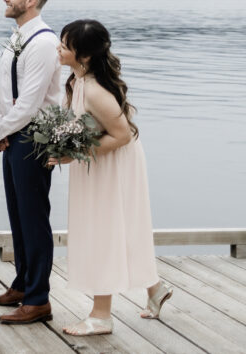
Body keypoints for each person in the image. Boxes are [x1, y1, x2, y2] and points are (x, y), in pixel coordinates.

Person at [51, 20, 174, 335]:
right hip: (100, 161)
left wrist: (75, 154)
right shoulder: (77, 81)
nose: (59, 49)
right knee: (119, 226)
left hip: (113, 165)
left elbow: (122, 135)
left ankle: (101, 316)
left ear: (85, 56)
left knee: (102, 230)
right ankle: (155, 290)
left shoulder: (94, 89)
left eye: (65, 45)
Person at [0, 0, 63, 325]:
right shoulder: (18, 36)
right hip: (15, 134)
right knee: (17, 214)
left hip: (34, 137)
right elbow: (9, 92)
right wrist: (4, 130)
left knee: (34, 219)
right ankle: (22, 284)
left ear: (30, 0)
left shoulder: (45, 42)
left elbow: (31, 101)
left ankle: (39, 299)